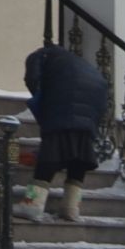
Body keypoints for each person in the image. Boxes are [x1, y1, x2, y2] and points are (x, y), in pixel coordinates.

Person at [17, 42, 108, 222]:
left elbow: (33, 80)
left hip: (64, 105)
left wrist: (42, 100)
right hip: (91, 108)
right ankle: (70, 207)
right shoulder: (78, 63)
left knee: (49, 157)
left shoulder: (39, 56)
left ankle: (32, 204)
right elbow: (103, 99)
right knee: (79, 159)